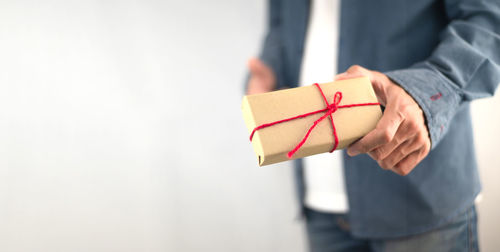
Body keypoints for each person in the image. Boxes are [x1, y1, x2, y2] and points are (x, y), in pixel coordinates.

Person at [245, 0, 500, 251]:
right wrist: (270, 68)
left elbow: (488, 20)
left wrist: (427, 91)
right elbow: (280, 24)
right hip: (320, 200)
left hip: (420, 198)